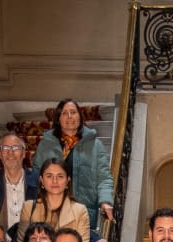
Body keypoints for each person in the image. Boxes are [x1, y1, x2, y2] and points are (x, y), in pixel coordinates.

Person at [31, 98, 114, 232]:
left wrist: (105, 201)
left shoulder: (95, 145)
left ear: (80, 117)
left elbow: (104, 178)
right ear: (58, 118)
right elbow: (36, 176)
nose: (69, 116)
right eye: (64, 113)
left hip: (84, 212)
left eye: (73, 112)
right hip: (52, 212)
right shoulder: (46, 144)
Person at [18, 159, 95, 242]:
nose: (55, 181)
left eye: (60, 176)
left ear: (68, 180)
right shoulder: (29, 207)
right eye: (49, 176)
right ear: (41, 180)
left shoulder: (80, 210)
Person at [0, 131, 39, 241]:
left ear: (23, 152)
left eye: (15, 148)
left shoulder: (37, 181)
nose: (10, 153)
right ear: (0, 154)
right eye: (5, 148)